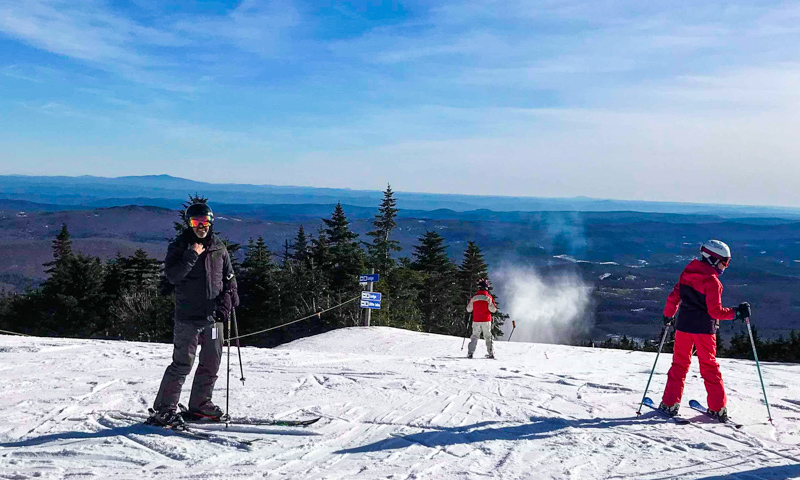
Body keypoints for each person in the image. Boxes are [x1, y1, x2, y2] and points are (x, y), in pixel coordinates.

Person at [149, 202, 239, 427]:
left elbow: (230, 278)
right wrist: (191, 255)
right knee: (182, 365)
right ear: (189, 223)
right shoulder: (180, 246)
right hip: (188, 318)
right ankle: (164, 409)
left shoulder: (219, 248)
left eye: (205, 222)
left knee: (211, 363)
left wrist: (228, 301)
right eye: (196, 222)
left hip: (214, 319)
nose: (201, 226)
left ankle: (200, 405)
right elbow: (172, 276)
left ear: (211, 222)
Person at [658, 240, 750, 421]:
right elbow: (715, 312)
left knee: (679, 365)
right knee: (709, 366)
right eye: (725, 261)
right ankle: (717, 408)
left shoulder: (686, 273)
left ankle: (669, 404)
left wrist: (668, 315)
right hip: (704, 331)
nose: (726, 265)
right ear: (713, 259)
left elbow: (674, 297)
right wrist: (736, 313)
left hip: (684, 327)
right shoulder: (713, 282)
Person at [466, 278, 498, 359]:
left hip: (476, 320)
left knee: (474, 336)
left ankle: (470, 353)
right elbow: (493, 310)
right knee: (488, 336)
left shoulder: (474, 297)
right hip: (486, 320)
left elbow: (468, 309)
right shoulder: (488, 298)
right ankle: (491, 353)